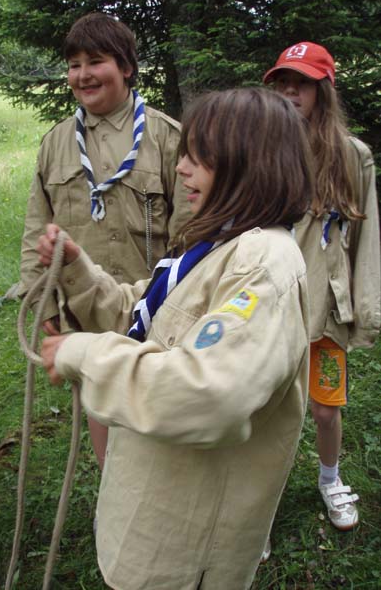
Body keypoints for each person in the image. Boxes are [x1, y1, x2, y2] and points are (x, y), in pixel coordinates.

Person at [37, 87, 313, 589]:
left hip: (185, 552)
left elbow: (210, 393)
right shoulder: (219, 244)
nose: (182, 168)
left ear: (246, 161)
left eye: (198, 155)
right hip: (157, 503)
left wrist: (86, 353)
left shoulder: (263, 266)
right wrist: (79, 271)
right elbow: (151, 316)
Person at [18, 12, 191, 471]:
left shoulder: (165, 137)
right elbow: (38, 227)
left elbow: (192, 232)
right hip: (83, 305)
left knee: (156, 400)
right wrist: (46, 305)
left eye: (96, 61)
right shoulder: (56, 143)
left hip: (150, 304)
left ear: (127, 66)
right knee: (97, 392)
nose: (83, 75)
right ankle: (111, 477)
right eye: (74, 64)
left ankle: (160, 481)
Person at [263, 42, 381, 532]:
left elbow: (367, 235)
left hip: (326, 310)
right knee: (266, 411)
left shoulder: (352, 156)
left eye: (303, 83)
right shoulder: (263, 147)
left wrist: (368, 305)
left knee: (325, 409)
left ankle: (330, 479)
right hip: (272, 305)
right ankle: (258, 505)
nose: (291, 92)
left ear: (323, 90)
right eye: (283, 82)